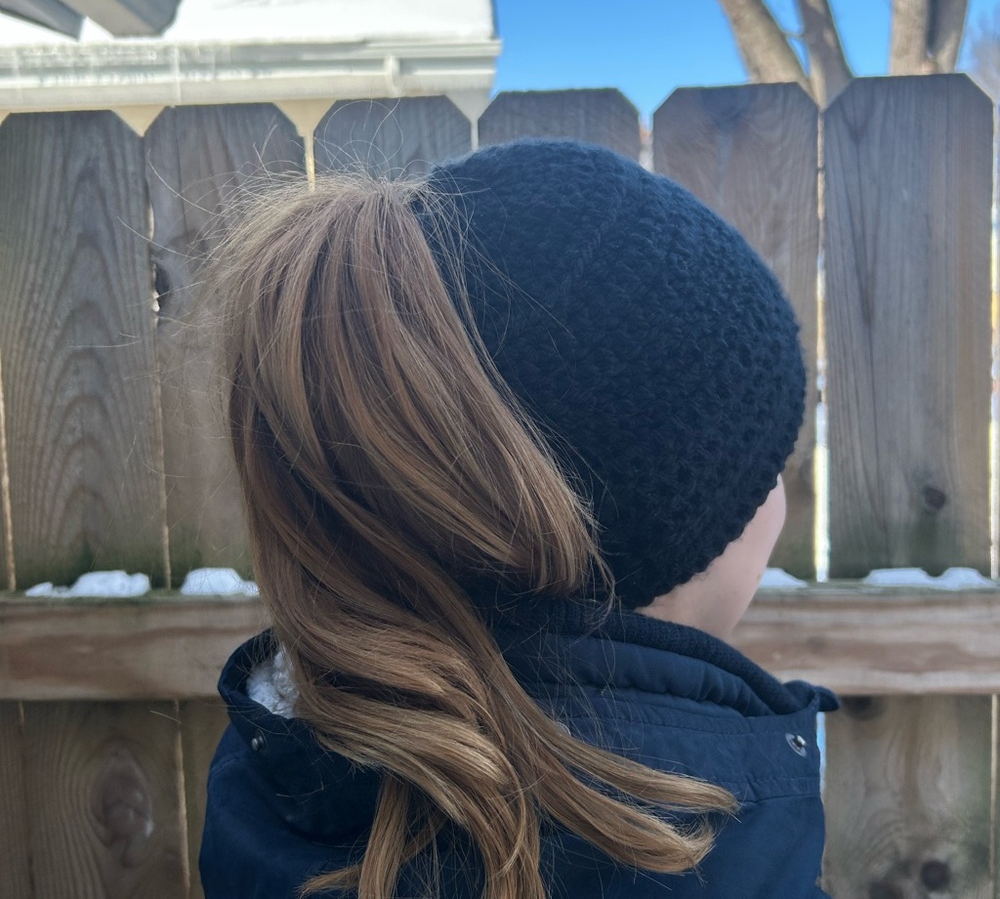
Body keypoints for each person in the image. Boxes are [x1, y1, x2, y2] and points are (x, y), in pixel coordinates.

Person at [200, 139, 837, 899]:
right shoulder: (715, 849)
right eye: (771, 465)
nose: (780, 498)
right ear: (673, 520)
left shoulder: (278, 773)